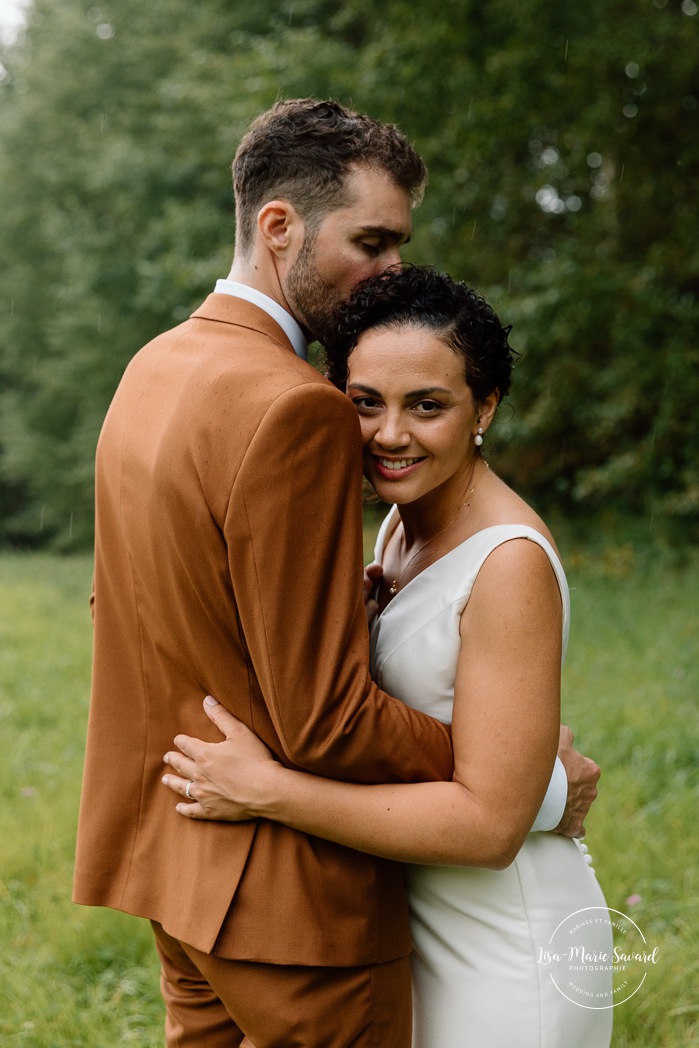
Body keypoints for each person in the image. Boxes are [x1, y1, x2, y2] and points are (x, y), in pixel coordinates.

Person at [74, 98, 599, 1048]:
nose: (390, 271)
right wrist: (521, 776)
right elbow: (324, 718)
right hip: (289, 904)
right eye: (371, 241)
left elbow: (145, 606)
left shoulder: (154, 366)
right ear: (279, 226)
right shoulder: (295, 408)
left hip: (172, 872)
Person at [161, 267, 613, 1047]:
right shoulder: (399, 528)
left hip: (502, 950)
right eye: (365, 401)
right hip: (408, 927)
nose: (388, 435)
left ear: (486, 409)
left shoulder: (507, 563)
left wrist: (270, 792)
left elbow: (486, 829)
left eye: (426, 406)